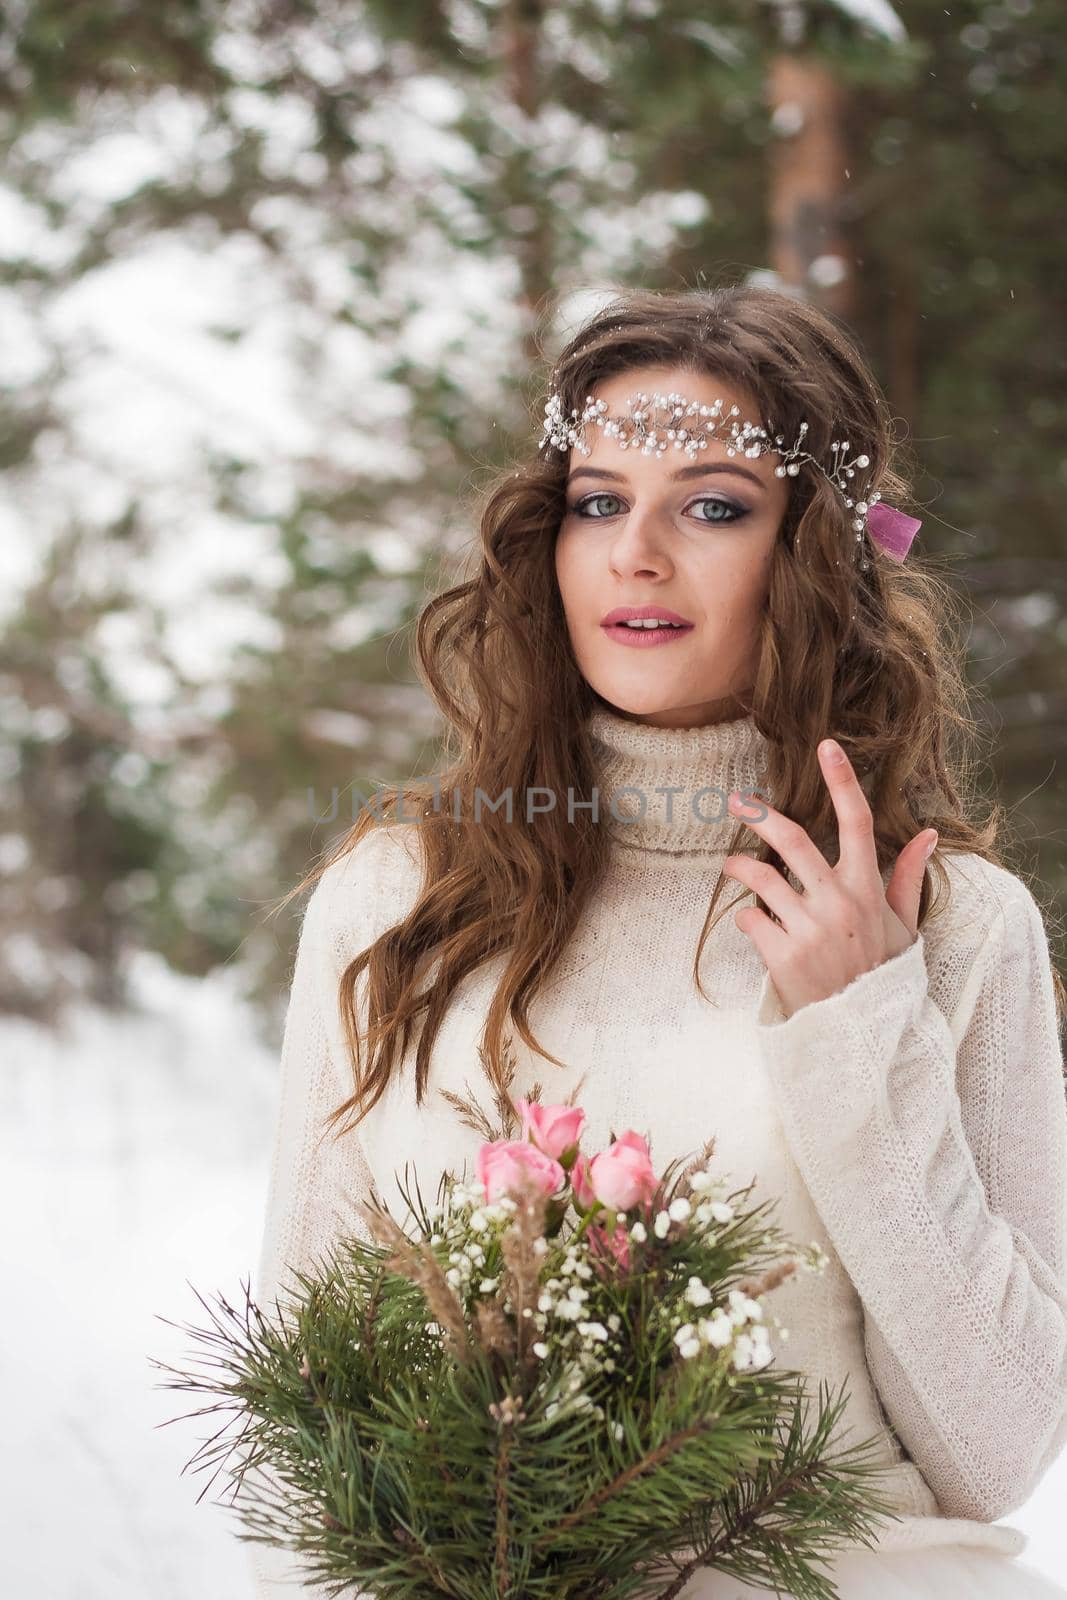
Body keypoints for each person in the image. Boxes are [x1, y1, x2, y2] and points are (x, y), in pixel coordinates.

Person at [249, 284, 1067, 1598]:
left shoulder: (952, 925)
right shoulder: (397, 901)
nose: (637, 552)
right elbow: (307, 1420)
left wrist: (861, 1036)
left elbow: (994, 1451)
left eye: (713, 504)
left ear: (817, 552)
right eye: (597, 501)